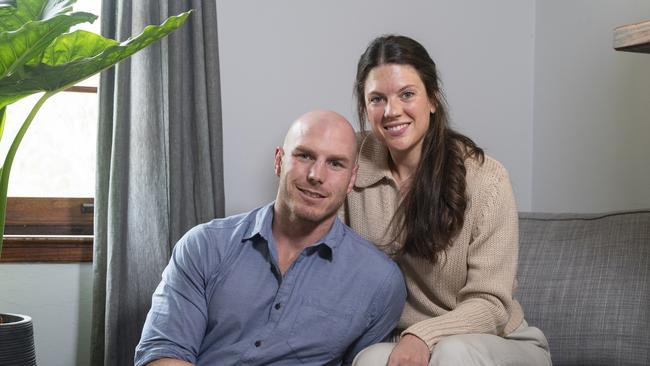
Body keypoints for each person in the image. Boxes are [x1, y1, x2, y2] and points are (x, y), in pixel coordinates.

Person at [341, 35, 552, 366]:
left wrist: (422, 335)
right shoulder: (350, 160)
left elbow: (493, 303)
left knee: (453, 354)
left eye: (407, 94)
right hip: (409, 344)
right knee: (369, 360)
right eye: (377, 99)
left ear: (433, 100)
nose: (392, 111)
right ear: (365, 108)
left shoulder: (487, 179)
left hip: (496, 341)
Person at [134, 110, 407, 366]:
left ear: (351, 179)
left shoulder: (379, 283)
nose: (316, 175)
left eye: (335, 164)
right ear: (279, 161)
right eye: (304, 156)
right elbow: (165, 350)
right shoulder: (204, 245)